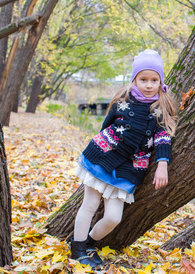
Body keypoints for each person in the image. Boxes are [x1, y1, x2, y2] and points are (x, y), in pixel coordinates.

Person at [70, 50, 178, 268]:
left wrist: (162, 164)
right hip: (103, 157)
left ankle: (90, 244)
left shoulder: (161, 108)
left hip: (129, 169)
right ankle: (78, 249)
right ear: (135, 79)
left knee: (113, 218)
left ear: (160, 81)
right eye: (143, 79)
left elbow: (163, 137)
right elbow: (105, 127)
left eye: (154, 80)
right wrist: (103, 148)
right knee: (90, 204)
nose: (149, 85)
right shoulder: (122, 102)